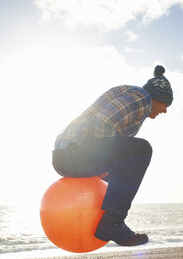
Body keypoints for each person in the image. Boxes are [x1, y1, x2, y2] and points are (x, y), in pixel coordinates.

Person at [52, 65, 173, 246]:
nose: (164, 111)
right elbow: (103, 122)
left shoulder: (137, 100)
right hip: (74, 154)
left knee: (125, 164)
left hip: (66, 156)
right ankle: (113, 223)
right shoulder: (142, 98)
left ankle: (101, 224)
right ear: (157, 98)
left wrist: (105, 166)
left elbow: (109, 135)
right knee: (141, 149)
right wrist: (105, 161)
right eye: (165, 104)